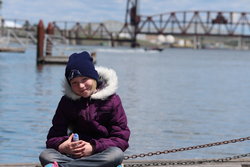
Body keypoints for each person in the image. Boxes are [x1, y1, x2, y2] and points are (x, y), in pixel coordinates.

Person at [39, 51, 130, 167]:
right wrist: (64, 146)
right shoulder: (66, 102)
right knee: (46, 155)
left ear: (94, 78)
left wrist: (93, 148)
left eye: (84, 79)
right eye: (75, 83)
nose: (81, 86)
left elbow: (121, 138)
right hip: (73, 155)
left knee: (116, 154)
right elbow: (53, 137)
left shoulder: (113, 100)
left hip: (101, 152)